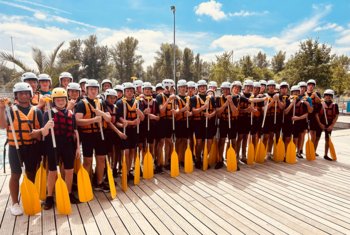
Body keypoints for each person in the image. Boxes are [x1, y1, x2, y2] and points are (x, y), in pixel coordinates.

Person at [0, 82, 53, 216]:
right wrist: (1, 109)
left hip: (32, 146)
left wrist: (38, 132)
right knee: (16, 174)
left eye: (26, 93)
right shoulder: (10, 109)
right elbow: (2, 125)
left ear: (30, 95)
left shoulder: (36, 111)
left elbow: (44, 131)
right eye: (20, 93)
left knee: (31, 173)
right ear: (16, 95)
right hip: (15, 147)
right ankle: (15, 203)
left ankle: (31, 196)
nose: (23, 95)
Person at [43, 88, 80, 209]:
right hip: (53, 145)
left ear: (66, 100)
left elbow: (75, 131)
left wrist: (78, 147)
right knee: (52, 171)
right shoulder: (48, 113)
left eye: (63, 99)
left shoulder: (71, 114)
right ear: (53, 101)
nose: (60, 101)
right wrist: (47, 127)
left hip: (68, 145)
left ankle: (69, 193)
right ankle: (49, 197)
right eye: (58, 100)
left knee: (69, 170)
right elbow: (43, 133)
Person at [75, 79, 111, 192]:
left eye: (95, 89)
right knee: (88, 161)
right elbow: (77, 121)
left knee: (101, 159)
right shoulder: (81, 104)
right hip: (87, 136)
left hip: (100, 135)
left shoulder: (102, 102)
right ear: (87, 90)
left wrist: (101, 113)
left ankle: (99, 183)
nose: (94, 91)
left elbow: (109, 118)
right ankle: (87, 183)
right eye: (91, 89)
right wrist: (94, 120)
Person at [116, 82, 144, 180]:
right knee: (126, 152)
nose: (129, 93)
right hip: (125, 130)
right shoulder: (120, 103)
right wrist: (131, 122)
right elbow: (119, 118)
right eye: (127, 91)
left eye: (131, 91)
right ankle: (125, 171)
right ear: (124, 92)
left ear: (133, 92)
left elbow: (143, 118)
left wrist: (140, 114)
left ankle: (129, 169)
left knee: (132, 150)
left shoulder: (137, 102)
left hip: (134, 131)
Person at [191, 79, 216, 169]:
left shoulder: (211, 98)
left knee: (209, 141)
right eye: (200, 87)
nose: (202, 88)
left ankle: (204, 156)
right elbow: (193, 111)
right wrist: (202, 108)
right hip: (198, 123)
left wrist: (210, 115)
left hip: (208, 122)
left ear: (206, 88)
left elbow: (215, 110)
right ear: (198, 88)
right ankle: (198, 159)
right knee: (199, 142)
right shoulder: (194, 98)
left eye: (204, 86)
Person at [103, 89, 127, 177]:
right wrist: (119, 132)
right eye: (110, 98)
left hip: (114, 133)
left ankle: (114, 168)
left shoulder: (115, 107)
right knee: (108, 152)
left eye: (114, 98)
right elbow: (109, 123)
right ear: (106, 98)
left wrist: (123, 124)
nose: (112, 100)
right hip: (106, 133)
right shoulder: (104, 106)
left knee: (115, 151)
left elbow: (116, 122)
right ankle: (107, 169)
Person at [215, 81, 238, 169]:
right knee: (221, 141)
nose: (225, 91)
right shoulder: (218, 99)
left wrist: (231, 102)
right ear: (221, 90)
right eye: (224, 89)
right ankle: (220, 160)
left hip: (233, 122)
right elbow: (218, 112)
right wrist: (225, 104)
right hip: (223, 122)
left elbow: (235, 113)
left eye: (227, 89)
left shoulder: (235, 98)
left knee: (233, 142)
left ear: (230, 90)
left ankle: (233, 160)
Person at [155, 79, 177, 170]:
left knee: (169, 141)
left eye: (171, 87)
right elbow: (161, 110)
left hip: (170, 121)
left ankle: (167, 162)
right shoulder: (159, 97)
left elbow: (177, 109)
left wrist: (175, 111)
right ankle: (159, 163)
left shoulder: (174, 97)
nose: (169, 89)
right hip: (162, 121)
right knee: (161, 142)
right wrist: (168, 99)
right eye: (167, 87)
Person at [262, 80, 285, 160]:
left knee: (272, 136)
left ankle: (268, 153)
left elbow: (282, 107)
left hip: (276, 118)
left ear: (275, 87)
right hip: (267, 118)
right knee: (265, 136)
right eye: (270, 86)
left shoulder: (279, 96)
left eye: (273, 86)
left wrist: (277, 99)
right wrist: (272, 101)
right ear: (268, 87)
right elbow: (264, 108)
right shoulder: (264, 95)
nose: (271, 87)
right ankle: (263, 152)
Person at [284, 85, 309, 157]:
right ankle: (285, 154)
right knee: (287, 138)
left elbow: (306, 114)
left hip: (297, 123)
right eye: (294, 92)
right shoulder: (288, 100)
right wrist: (292, 103)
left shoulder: (302, 102)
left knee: (295, 139)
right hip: (288, 123)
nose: (295, 93)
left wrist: (298, 118)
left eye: (297, 92)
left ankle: (292, 154)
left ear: (299, 93)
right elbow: (285, 112)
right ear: (291, 93)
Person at [315, 89, 339, 161]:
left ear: (332, 97)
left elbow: (336, 116)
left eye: (330, 96)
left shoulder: (335, 105)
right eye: (326, 95)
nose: (328, 97)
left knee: (327, 139)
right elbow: (316, 115)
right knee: (317, 138)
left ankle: (326, 154)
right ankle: (313, 152)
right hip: (321, 123)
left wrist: (332, 125)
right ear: (324, 96)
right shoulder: (320, 104)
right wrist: (320, 124)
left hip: (329, 124)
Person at [174, 80, 190, 167]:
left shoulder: (189, 98)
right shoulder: (176, 98)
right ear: (178, 88)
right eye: (181, 87)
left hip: (186, 122)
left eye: (184, 87)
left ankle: (183, 159)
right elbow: (176, 111)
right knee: (178, 140)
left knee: (184, 141)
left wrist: (190, 113)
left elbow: (191, 111)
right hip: (179, 122)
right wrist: (183, 109)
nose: (183, 89)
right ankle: (177, 158)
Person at [306, 79, 322, 156]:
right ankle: (300, 151)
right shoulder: (304, 93)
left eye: (312, 85)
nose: (311, 86)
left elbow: (320, 102)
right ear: (307, 86)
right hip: (305, 115)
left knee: (313, 135)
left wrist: (315, 96)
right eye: (309, 85)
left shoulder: (317, 94)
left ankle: (311, 150)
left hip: (313, 116)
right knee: (302, 133)